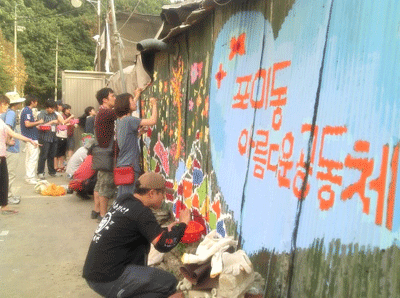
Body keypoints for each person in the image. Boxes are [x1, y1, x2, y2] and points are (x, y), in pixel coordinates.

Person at [83, 172, 190, 298]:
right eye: (162, 193)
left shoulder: (124, 199)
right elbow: (163, 245)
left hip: (94, 273)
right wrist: (183, 224)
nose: (163, 198)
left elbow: (139, 228)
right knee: (169, 283)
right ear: (151, 193)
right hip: (108, 278)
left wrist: (166, 231)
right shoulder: (141, 212)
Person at [0, 94, 39, 214]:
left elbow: (12, 132)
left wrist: (29, 140)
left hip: (3, 155)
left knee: (4, 180)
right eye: (5, 104)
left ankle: (4, 205)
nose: (6, 106)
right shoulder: (10, 114)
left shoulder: (1, 120)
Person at [115, 90, 158, 197]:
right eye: (132, 101)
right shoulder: (129, 120)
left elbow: (126, 139)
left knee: (123, 195)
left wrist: (138, 134)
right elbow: (152, 121)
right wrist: (154, 104)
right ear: (126, 104)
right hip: (130, 165)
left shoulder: (121, 121)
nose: (135, 103)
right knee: (128, 196)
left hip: (123, 164)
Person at [92, 88, 117, 221]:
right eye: (112, 96)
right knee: (106, 184)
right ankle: (103, 216)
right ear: (105, 100)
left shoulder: (101, 112)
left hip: (101, 153)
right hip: (106, 153)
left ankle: (96, 211)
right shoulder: (107, 112)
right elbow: (123, 110)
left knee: (100, 182)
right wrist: (135, 97)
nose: (115, 98)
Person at [0, 92, 26, 204]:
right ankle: (8, 197)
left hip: (6, 149)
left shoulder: (6, 113)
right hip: (11, 149)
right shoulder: (11, 113)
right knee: (10, 174)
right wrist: (8, 142)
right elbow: (9, 128)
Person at [20, 94, 44, 184]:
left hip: (28, 136)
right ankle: (30, 177)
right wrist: (39, 122)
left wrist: (36, 125)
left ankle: (28, 176)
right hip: (31, 137)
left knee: (29, 157)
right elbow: (27, 124)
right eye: (36, 101)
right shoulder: (27, 111)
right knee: (33, 157)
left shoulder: (26, 110)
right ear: (32, 102)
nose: (36, 103)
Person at [37, 100, 62, 179]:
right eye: (51, 108)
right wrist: (51, 122)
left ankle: (52, 172)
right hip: (44, 137)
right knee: (43, 155)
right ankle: (40, 172)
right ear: (47, 107)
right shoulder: (42, 114)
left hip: (53, 137)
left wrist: (58, 124)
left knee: (52, 155)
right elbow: (40, 126)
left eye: (54, 108)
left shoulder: (55, 114)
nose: (53, 110)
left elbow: (57, 123)